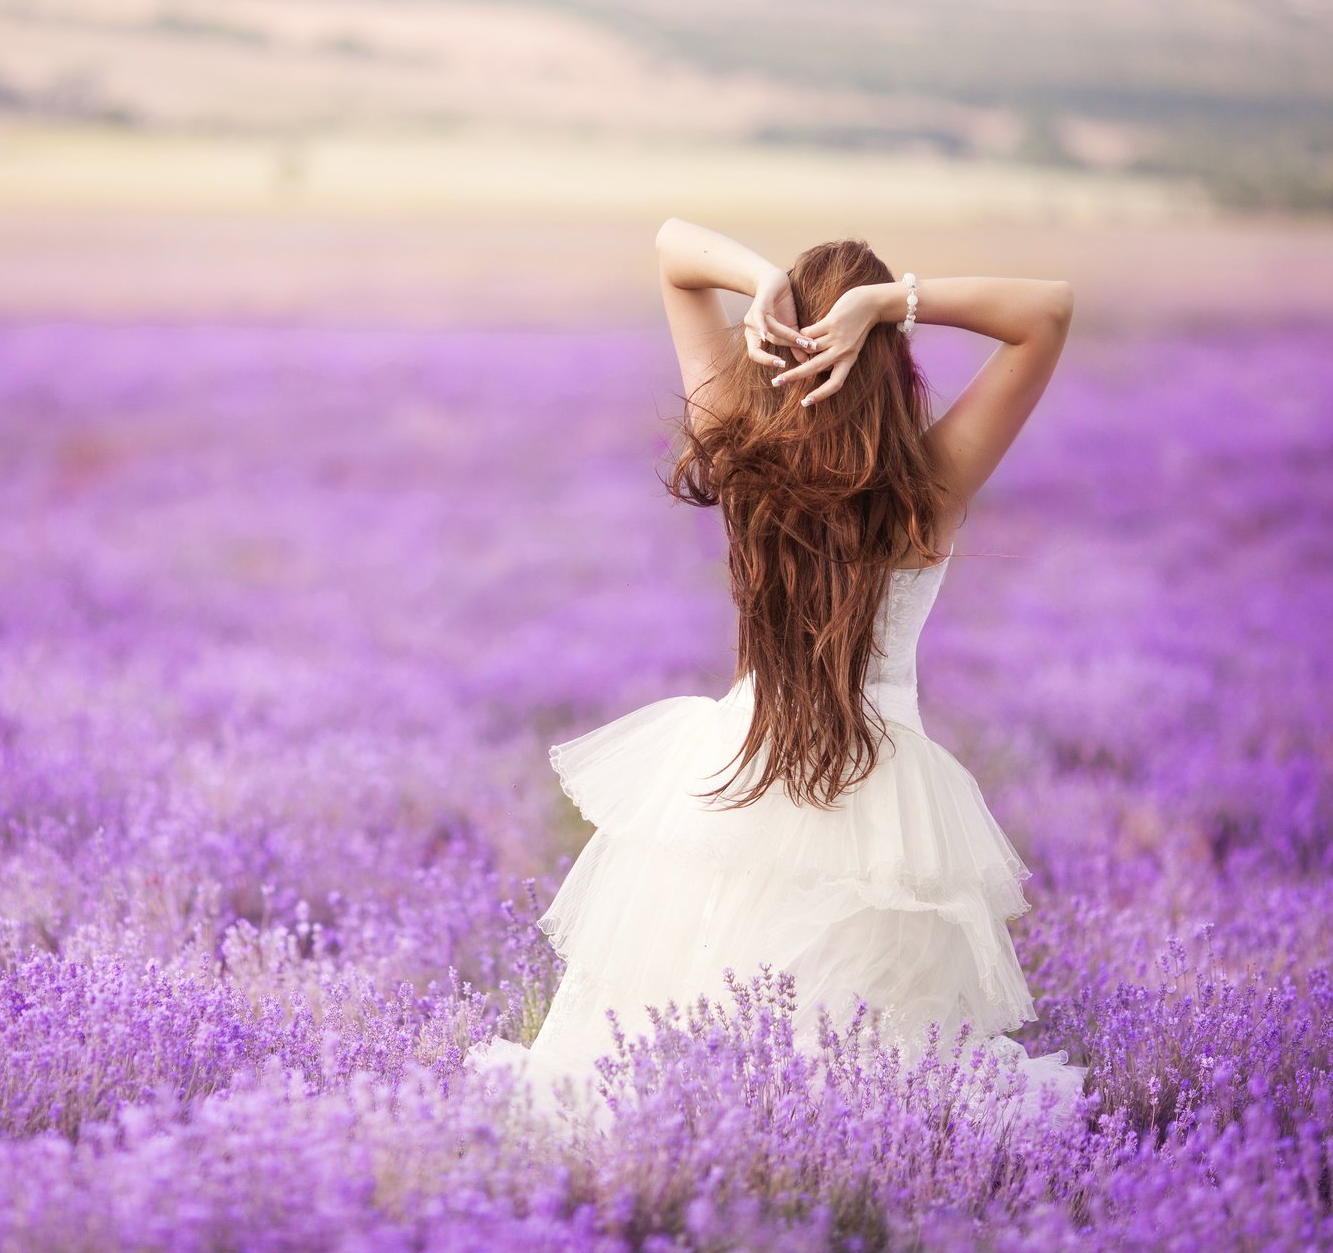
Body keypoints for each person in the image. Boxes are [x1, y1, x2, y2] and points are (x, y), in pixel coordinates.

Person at [465, 217, 1087, 1137]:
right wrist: (893, 301)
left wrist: (763, 283)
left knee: (656, 1053)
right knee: (873, 1085)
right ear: (892, 361)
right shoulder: (930, 486)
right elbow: (1049, 311)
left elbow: (674, 250)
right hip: (881, 797)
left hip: (735, 772)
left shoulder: (741, 441)